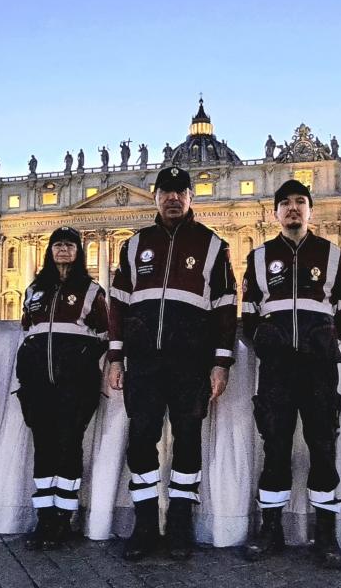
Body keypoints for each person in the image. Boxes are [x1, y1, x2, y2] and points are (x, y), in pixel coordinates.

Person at [106, 165, 237, 561]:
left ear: (191, 198)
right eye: (166, 191)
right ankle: (145, 523)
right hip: (144, 362)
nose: (173, 198)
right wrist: (115, 356)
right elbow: (117, 305)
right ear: (156, 196)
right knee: (141, 439)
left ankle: (179, 523)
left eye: (181, 191)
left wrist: (221, 361)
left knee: (188, 441)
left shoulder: (213, 245)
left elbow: (226, 308)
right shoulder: (134, 245)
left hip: (190, 363)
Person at [241, 179, 341, 568]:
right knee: (274, 445)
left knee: (322, 445)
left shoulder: (332, 254)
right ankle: (270, 529)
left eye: (300, 202)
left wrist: (324, 336)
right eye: (285, 203)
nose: (293, 208)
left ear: (310, 210)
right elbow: (248, 312)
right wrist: (263, 336)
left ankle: (326, 536)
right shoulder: (259, 258)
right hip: (276, 368)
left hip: (318, 366)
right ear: (275, 212)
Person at [16, 226, 108, 550]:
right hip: (39, 382)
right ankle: (44, 516)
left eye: (69, 245)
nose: (63, 250)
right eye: (58, 245)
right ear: (49, 251)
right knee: (43, 447)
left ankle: (64, 517)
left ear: (79, 251)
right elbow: (27, 330)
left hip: (76, 383)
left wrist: (81, 360)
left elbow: (104, 334)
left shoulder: (92, 290)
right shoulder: (33, 290)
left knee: (69, 445)